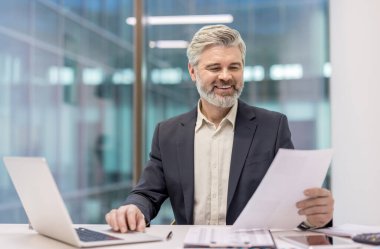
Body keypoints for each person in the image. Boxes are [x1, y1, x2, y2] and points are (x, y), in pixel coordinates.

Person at [105, 24, 334, 233]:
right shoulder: (168, 133)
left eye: (234, 67)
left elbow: (294, 200)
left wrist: (316, 216)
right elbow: (147, 193)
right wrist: (133, 209)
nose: (225, 76)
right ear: (193, 71)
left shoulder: (272, 127)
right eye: (214, 67)